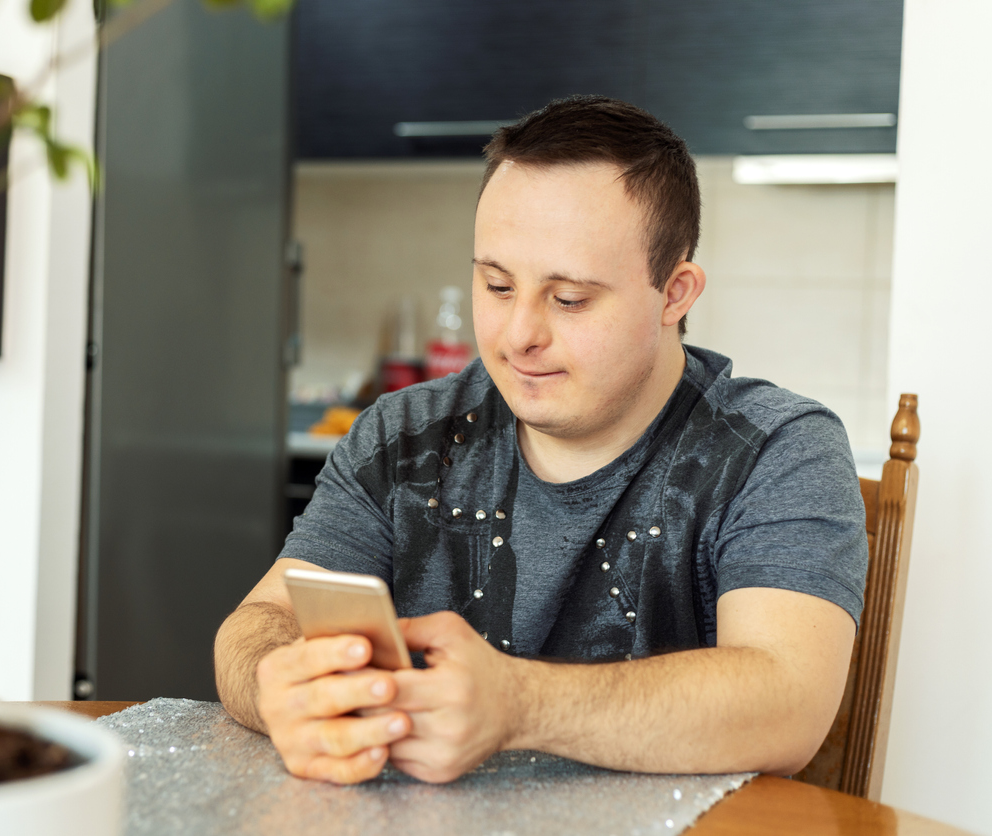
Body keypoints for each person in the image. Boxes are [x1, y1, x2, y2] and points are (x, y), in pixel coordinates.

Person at [213, 95, 868, 786]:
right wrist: (277, 687)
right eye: (496, 284)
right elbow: (260, 621)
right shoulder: (402, 436)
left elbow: (787, 707)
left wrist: (517, 705)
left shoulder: (777, 450)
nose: (518, 334)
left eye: (569, 299)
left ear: (675, 293)